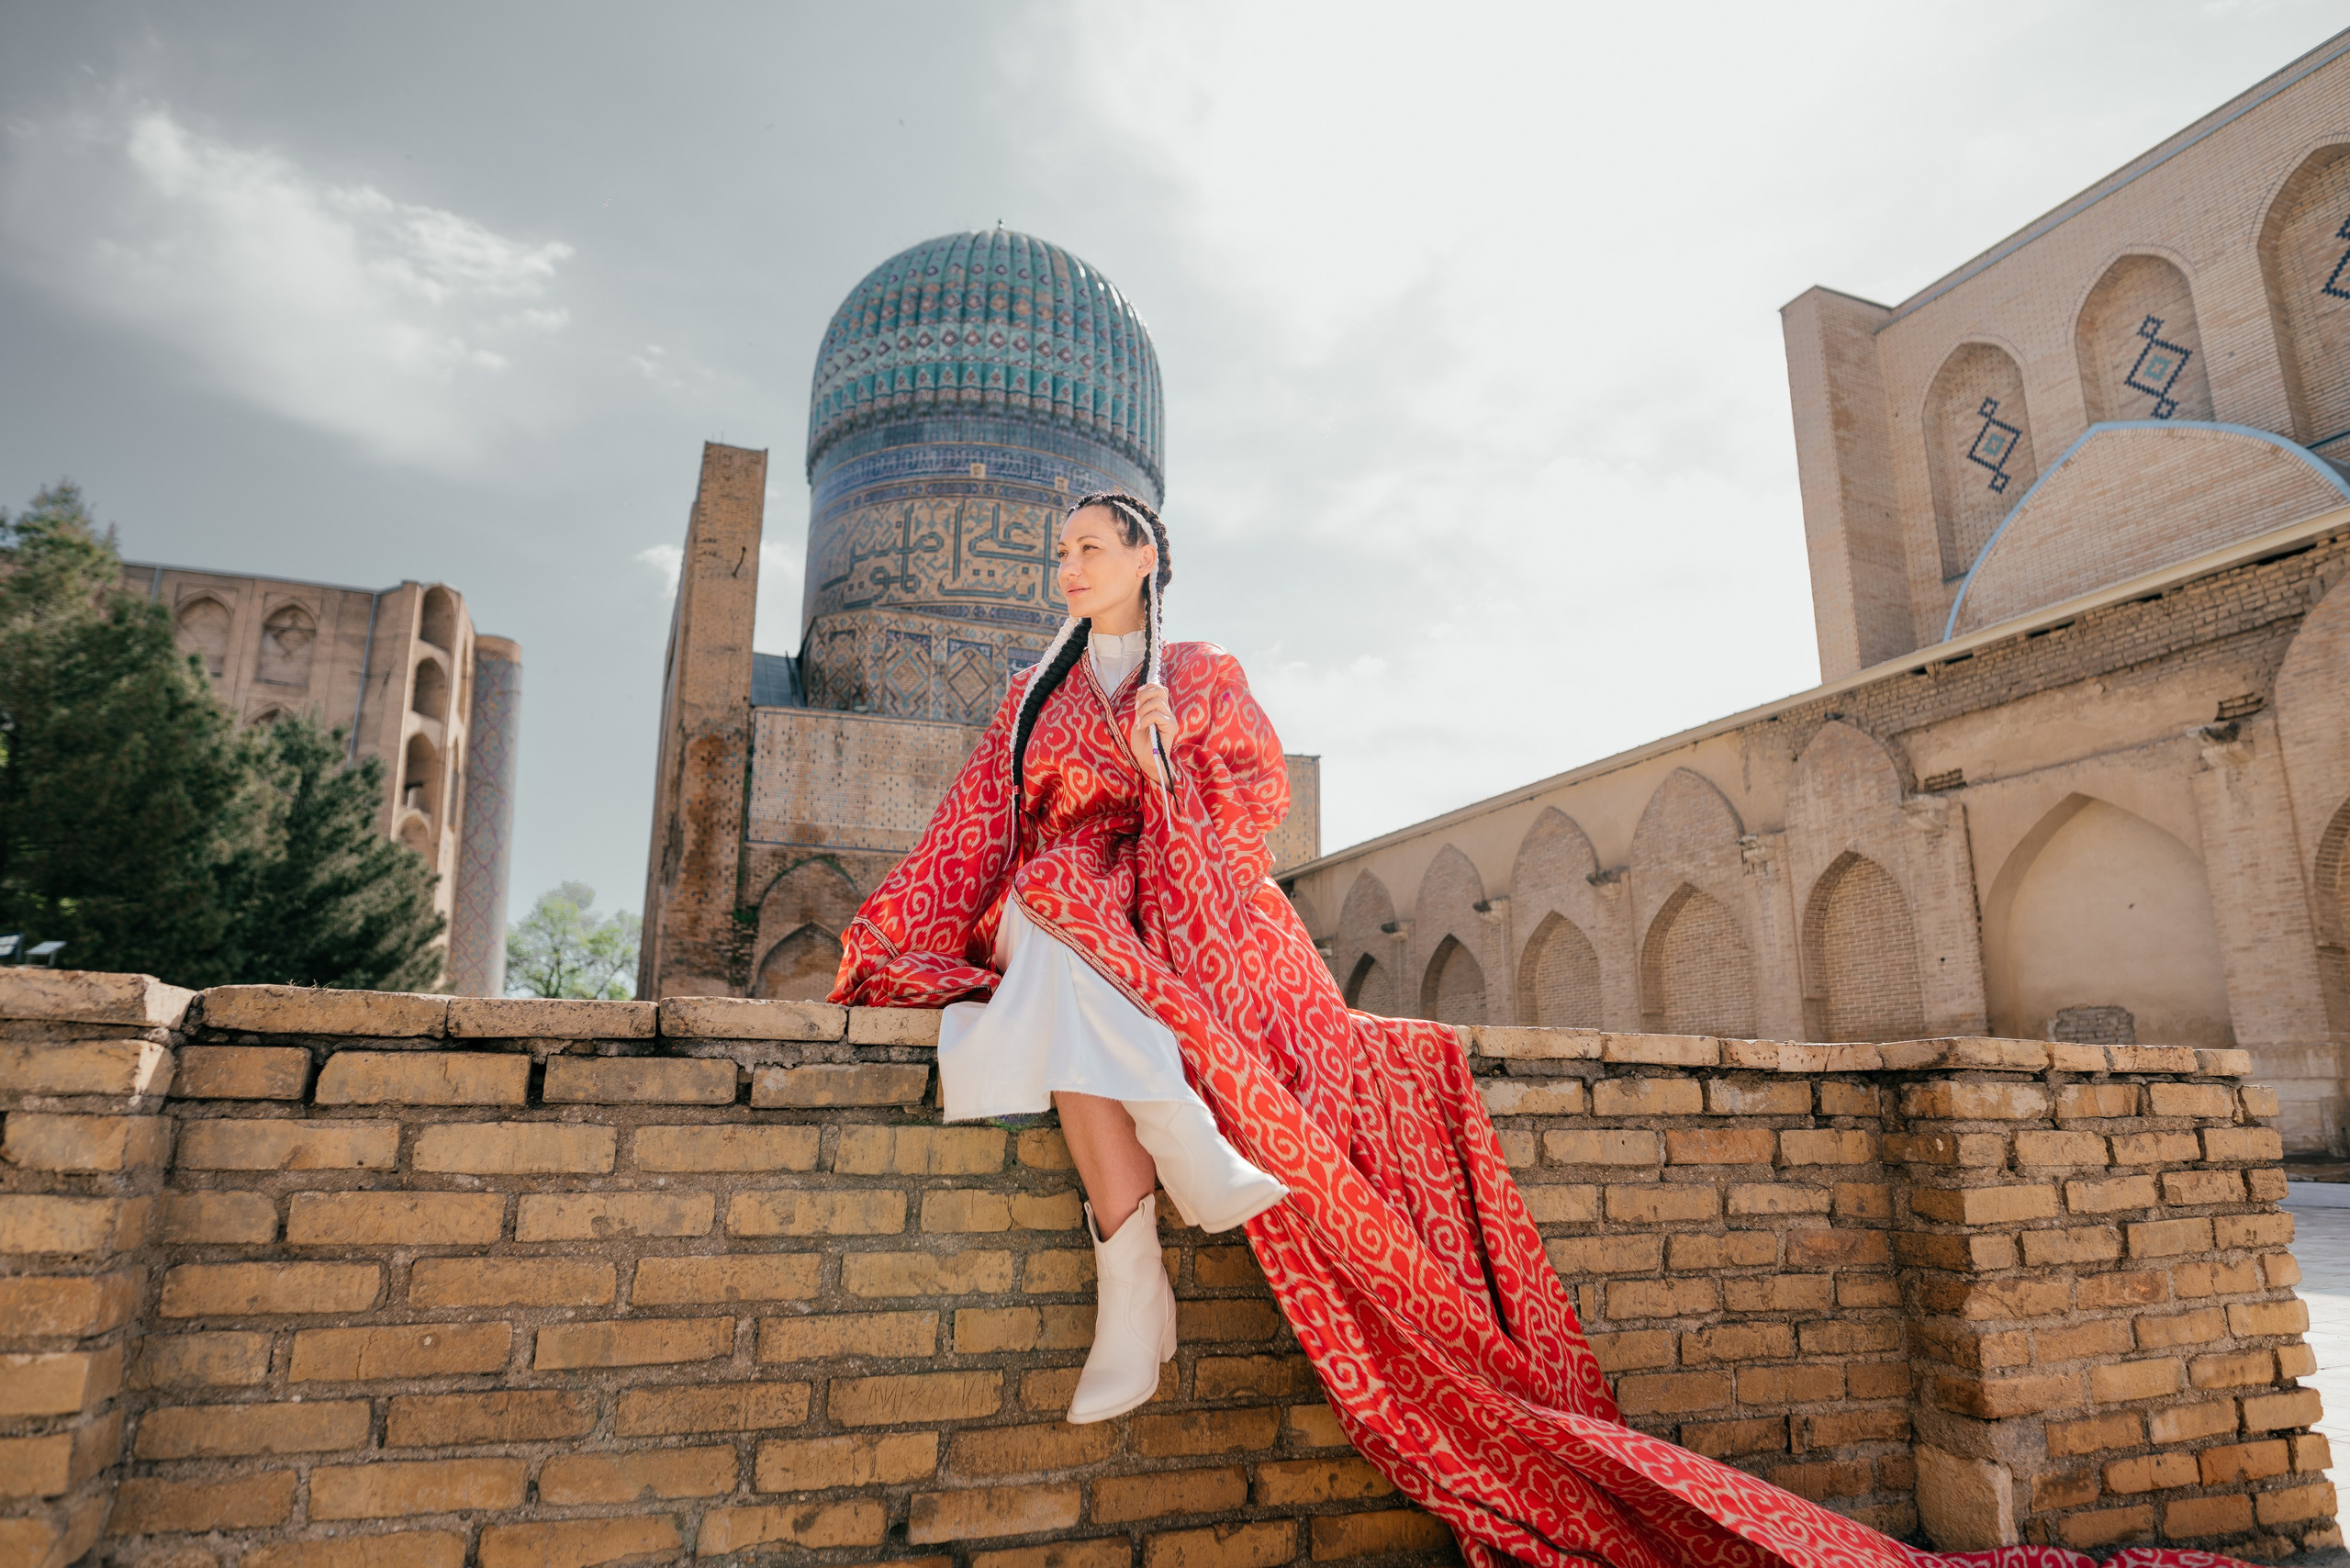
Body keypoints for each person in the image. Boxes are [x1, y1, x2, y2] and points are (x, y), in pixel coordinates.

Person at [831, 494, 2243, 1568]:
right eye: (1056, 552)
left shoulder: (1199, 680)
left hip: (1184, 899)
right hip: (1071, 896)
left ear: (1147, 560)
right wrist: (924, 931)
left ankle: (1132, 1262)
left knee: (1086, 973)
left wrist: (1164, 779)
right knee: (1055, 924)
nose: (1064, 568)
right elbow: (977, 835)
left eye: (1088, 547)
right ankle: (1169, 1188)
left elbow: (1247, 815)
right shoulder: (1026, 700)